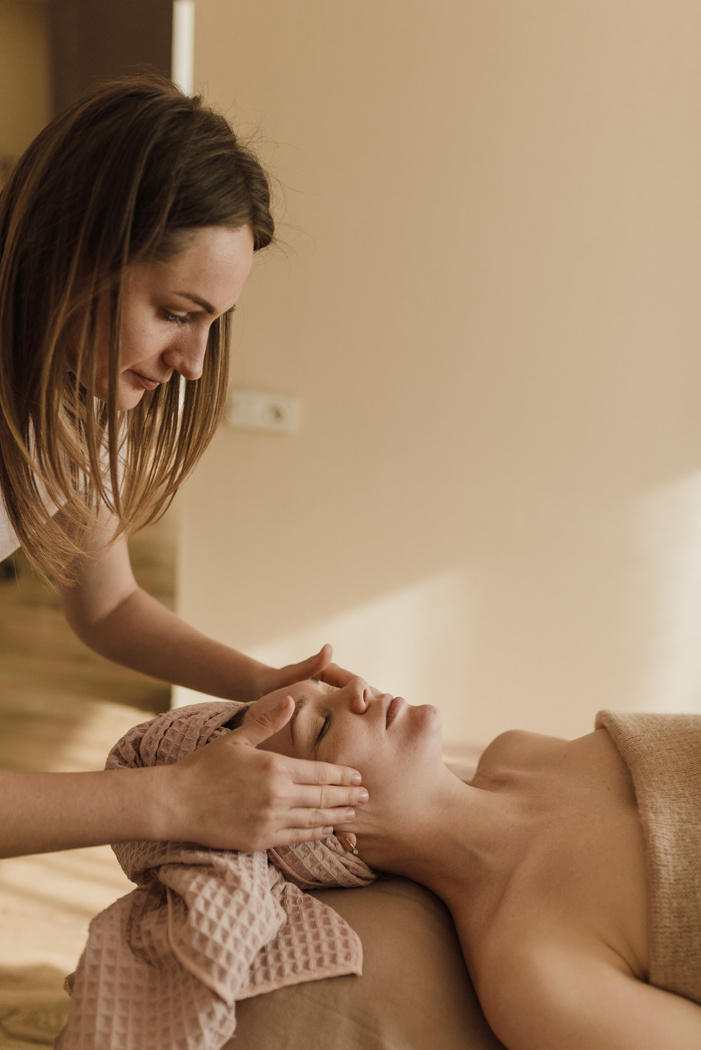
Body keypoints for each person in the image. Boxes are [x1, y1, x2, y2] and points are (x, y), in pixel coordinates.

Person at [0, 75, 370, 861]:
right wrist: (175, 799)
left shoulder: (76, 401)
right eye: (174, 313)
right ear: (70, 258)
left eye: (211, 323)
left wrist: (263, 683)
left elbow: (108, 606)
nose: (194, 363)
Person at [252, 677, 701, 1050]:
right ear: (326, 833)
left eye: (329, 688)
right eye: (322, 725)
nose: (358, 688)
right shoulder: (534, 979)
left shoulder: (519, 749)